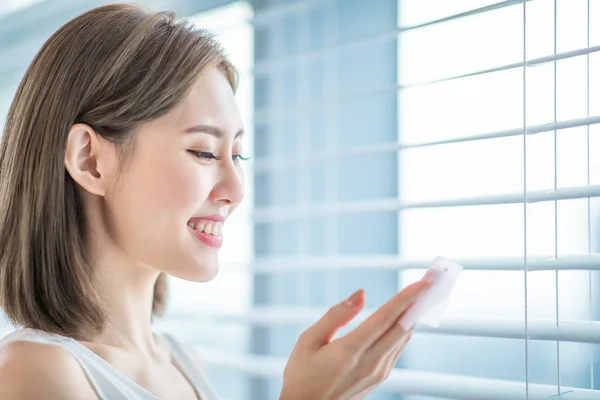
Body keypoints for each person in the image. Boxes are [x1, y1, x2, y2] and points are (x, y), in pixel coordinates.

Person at [0, 4, 431, 400]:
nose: (236, 189)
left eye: (237, 155)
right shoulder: (35, 371)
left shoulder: (183, 362)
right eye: (204, 152)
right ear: (90, 160)